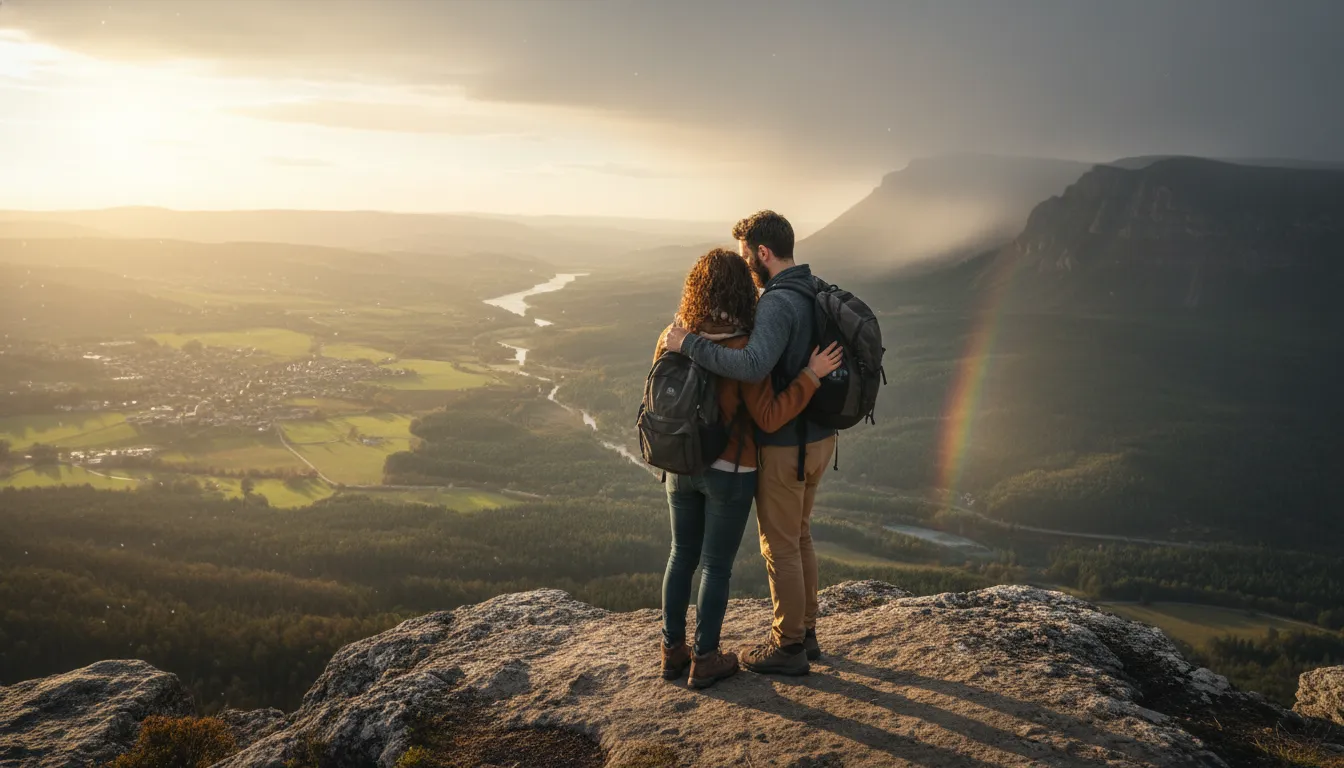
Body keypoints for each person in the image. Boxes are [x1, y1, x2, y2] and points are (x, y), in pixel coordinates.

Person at [656, 247, 843, 689]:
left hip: (680, 465)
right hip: (731, 471)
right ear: (743, 290)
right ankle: (705, 659)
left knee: (680, 555)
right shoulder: (743, 344)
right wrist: (809, 378)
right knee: (715, 567)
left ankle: (671, 652)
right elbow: (769, 418)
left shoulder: (673, 333)